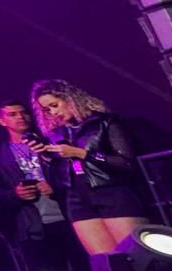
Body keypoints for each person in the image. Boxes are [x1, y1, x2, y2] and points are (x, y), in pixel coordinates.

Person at [29, 79, 148, 257]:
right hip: (78, 199)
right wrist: (46, 157)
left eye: (54, 105)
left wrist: (82, 153)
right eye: (47, 110)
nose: (53, 113)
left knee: (137, 257)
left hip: (112, 193)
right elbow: (59, 180)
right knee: (106, 263)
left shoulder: (104, 122)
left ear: (69, 99)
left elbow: (126, 162)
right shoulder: (56, 134)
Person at [0, 100, 83, 271]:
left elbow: (76, 174)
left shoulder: (52, 143)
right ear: (2, 121)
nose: (20, 117)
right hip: (32, 226)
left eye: (24, 112)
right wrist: (15, 194)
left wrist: (56, 186)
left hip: (68, 218)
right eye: (12, 114)